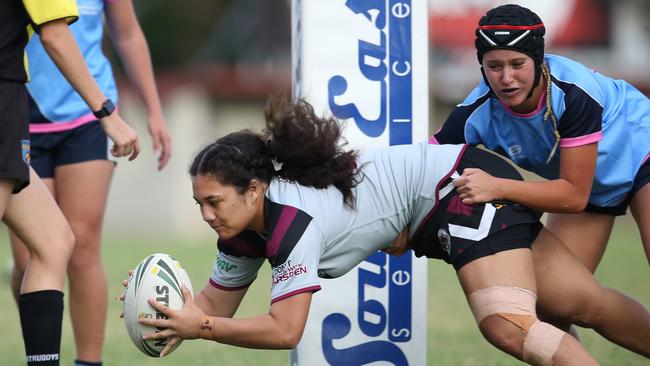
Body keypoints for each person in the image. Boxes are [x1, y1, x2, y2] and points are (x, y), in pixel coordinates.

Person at [129, 96, 624, 366]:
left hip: (459, 190)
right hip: (443, 194)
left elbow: (286, 331)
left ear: (254, 189)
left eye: (214, 202)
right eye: (200, 205)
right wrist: (168, 312)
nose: (207, 215)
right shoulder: (240, 232)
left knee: (507, 326)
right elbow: (213, 307)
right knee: (584, 303)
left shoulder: (289, 222)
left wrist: (205, 329)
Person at [8, 1, 171, 366]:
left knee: (80, 245)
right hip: (20, 110)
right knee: (32, 253)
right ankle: (43, 353)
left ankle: (88, 361)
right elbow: (52, 33)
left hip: (89, 113)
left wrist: (154, 110)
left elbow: (127, 32)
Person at [431, 4, 650, 273]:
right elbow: (420, 166)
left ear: (537, 60)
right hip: (592, 185)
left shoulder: (574, 92)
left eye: (517, 64)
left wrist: (497, 187)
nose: (506, 78)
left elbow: (574, 195)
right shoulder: (474, 114)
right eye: (494, 66)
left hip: (641, 149)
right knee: (556, 300)